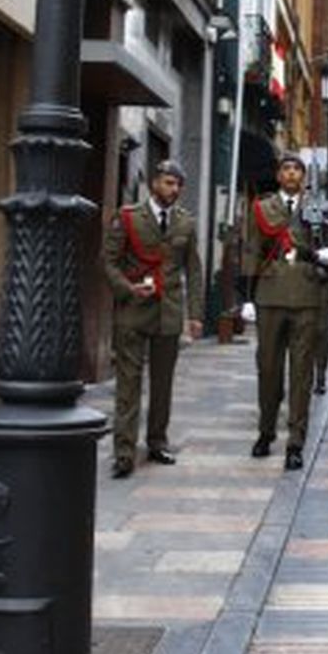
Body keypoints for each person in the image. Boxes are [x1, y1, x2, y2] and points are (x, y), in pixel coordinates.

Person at [101, 159, 204, 479]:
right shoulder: (129, 217)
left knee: (163, 385)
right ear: (154, 184)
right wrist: (127, 289)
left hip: (168, 314)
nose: (173, 190)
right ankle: (123, 452)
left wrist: (196, 315)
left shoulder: (185, 223)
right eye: (167, 183)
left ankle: (157, 442)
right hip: (133, 311)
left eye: (177, 185)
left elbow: (194, 270)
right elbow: (108, 261)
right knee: (128, 384)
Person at [243, 152, 328, 469]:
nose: (292, 174)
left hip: (307, 297)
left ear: (304, 177)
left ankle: (295, 442)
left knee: (301, 374)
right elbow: (252, 250)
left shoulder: (318, 208)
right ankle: (266, 432)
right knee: (268, 370)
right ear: (278, 175)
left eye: (298, 170)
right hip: (270, 295)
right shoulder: (262, 207)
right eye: (287, 169)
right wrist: (246, 296)